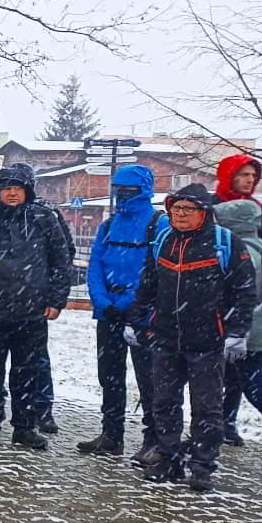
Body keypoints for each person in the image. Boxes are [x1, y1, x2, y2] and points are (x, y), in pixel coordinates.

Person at [125, 184, 257, 492]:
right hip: (166, 338)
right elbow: (147, 284)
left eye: (188, 209)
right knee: (164, 402)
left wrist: (236, 332)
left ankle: (202, 465)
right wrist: (135, 319)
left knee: (207, 408)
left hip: (209, 340)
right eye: (176, 208)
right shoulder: (162, 241)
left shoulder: (225, 243)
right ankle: (169, 457)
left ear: (204, 213)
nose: (180, 215)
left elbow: (244, 292)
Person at [0, 165, 72, 450]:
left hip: (31, 312)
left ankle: (24, 427)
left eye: (17, 188)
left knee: (26, 372)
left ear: (27, 191)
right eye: (6, 187)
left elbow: (61, 260)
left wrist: (56, 300)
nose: (11, 193)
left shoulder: (43, 217)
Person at [78, 165, 164, 461]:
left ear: (143, 190)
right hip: (108, 313)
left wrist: (131, 302)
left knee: (149, 380)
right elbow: (95, 266)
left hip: (142, 316)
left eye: (129, 190)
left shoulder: (157, 224)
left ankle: (153, 440)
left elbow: (155, 271)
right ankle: (111, 434)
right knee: (109, 376)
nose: (122, 195)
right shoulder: (108, 225)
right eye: (119, 190)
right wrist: (101, 300)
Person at [8, 162, 74, 435]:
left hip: (34, 298)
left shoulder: (46, 213)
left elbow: (64, 252)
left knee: (35, 358)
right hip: (2, 299)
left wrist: (52, 292)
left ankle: (42, 408)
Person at [215, 198, 262, 447]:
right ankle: (217, 431)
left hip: (248, 334)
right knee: (243, 386)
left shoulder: (243, 251)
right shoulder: (259, 246)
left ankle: (209, 437)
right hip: (256, 332)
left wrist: (235, 329)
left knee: (258, 391)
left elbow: (244, 295)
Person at [214, 153, 262, 232]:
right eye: (245, 175)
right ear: (229, 176)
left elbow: (259, 238)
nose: (250, 180)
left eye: (254, 176)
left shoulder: (256, 207)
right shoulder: (209, 205)